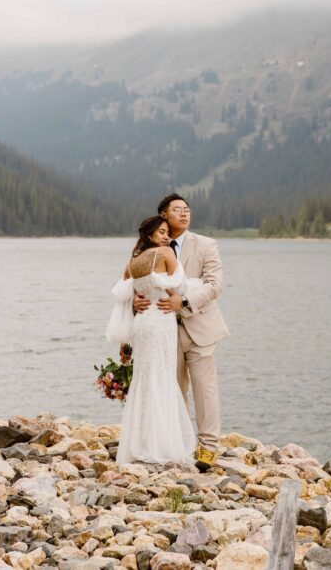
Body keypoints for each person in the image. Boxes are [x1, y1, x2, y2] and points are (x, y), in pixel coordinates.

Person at [134, 193, 229, 472]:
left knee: (205, 389)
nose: (185, 214)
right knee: (172, 390)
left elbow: (214, 285)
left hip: (200, 325)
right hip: (163, 332)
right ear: (164, 215)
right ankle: (176, 444)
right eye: (178, 210)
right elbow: (134, 282)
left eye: (187, 209)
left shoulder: (206, 245)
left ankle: (209, 448)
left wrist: (184, 302)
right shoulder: (148, 248)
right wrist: (135, 301)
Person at [107, 216, 196, 466]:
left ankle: (140, 443)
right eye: (161, 232)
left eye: (167, 233)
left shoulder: (132, 262)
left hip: (142, 323)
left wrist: (138, 298)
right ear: (149, 235)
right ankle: (161, 444)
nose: (166, 237)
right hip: (161, 320)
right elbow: (180, 287)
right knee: (162, 377)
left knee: (145, 378)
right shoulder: (166, 253)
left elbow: (124, 294)